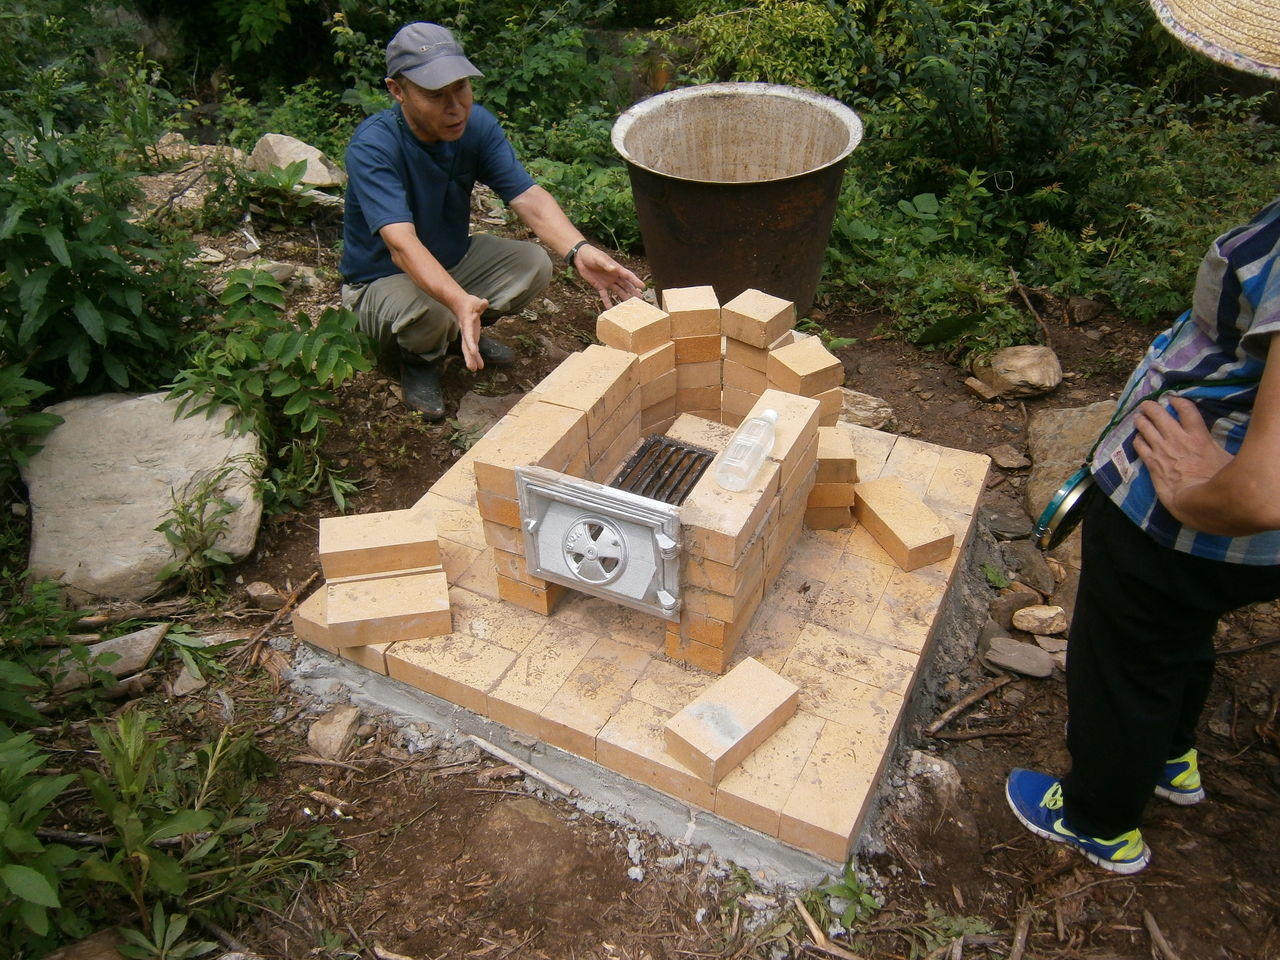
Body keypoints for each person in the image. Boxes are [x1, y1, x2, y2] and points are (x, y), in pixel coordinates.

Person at [1006, 0, 1280, 875]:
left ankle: (1098, 821)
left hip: (1186, 521)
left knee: (1119, 657)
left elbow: (1261, 492)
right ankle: (1171, 758)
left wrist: (1201, 492)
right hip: (1222, 558)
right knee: (1177, 636)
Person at [339, 22, 645, 420]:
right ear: (397, 91)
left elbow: (528, 196)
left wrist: (579, 249)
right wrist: (456, 300)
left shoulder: (476, 127)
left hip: (451, 262)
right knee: (431, 311)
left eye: (461, 89)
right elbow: (401, 246)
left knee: (532, 264)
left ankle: (458, 332)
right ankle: (419, 358)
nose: (455, 108)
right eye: (435, 95)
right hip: (377, 285)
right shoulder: (375, 146)